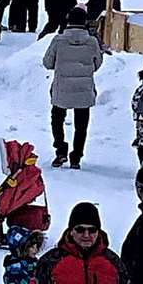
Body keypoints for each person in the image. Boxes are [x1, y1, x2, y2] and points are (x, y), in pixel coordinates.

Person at [42, 9, 103, 168]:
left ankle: (61, 150)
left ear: (68, 20)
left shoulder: (58, 40)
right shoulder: (92, 42)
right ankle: (76, 157)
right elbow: (97, 64)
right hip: (84, 88)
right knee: (81, 125)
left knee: (57, 119)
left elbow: (48, 63)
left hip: (62, 87)